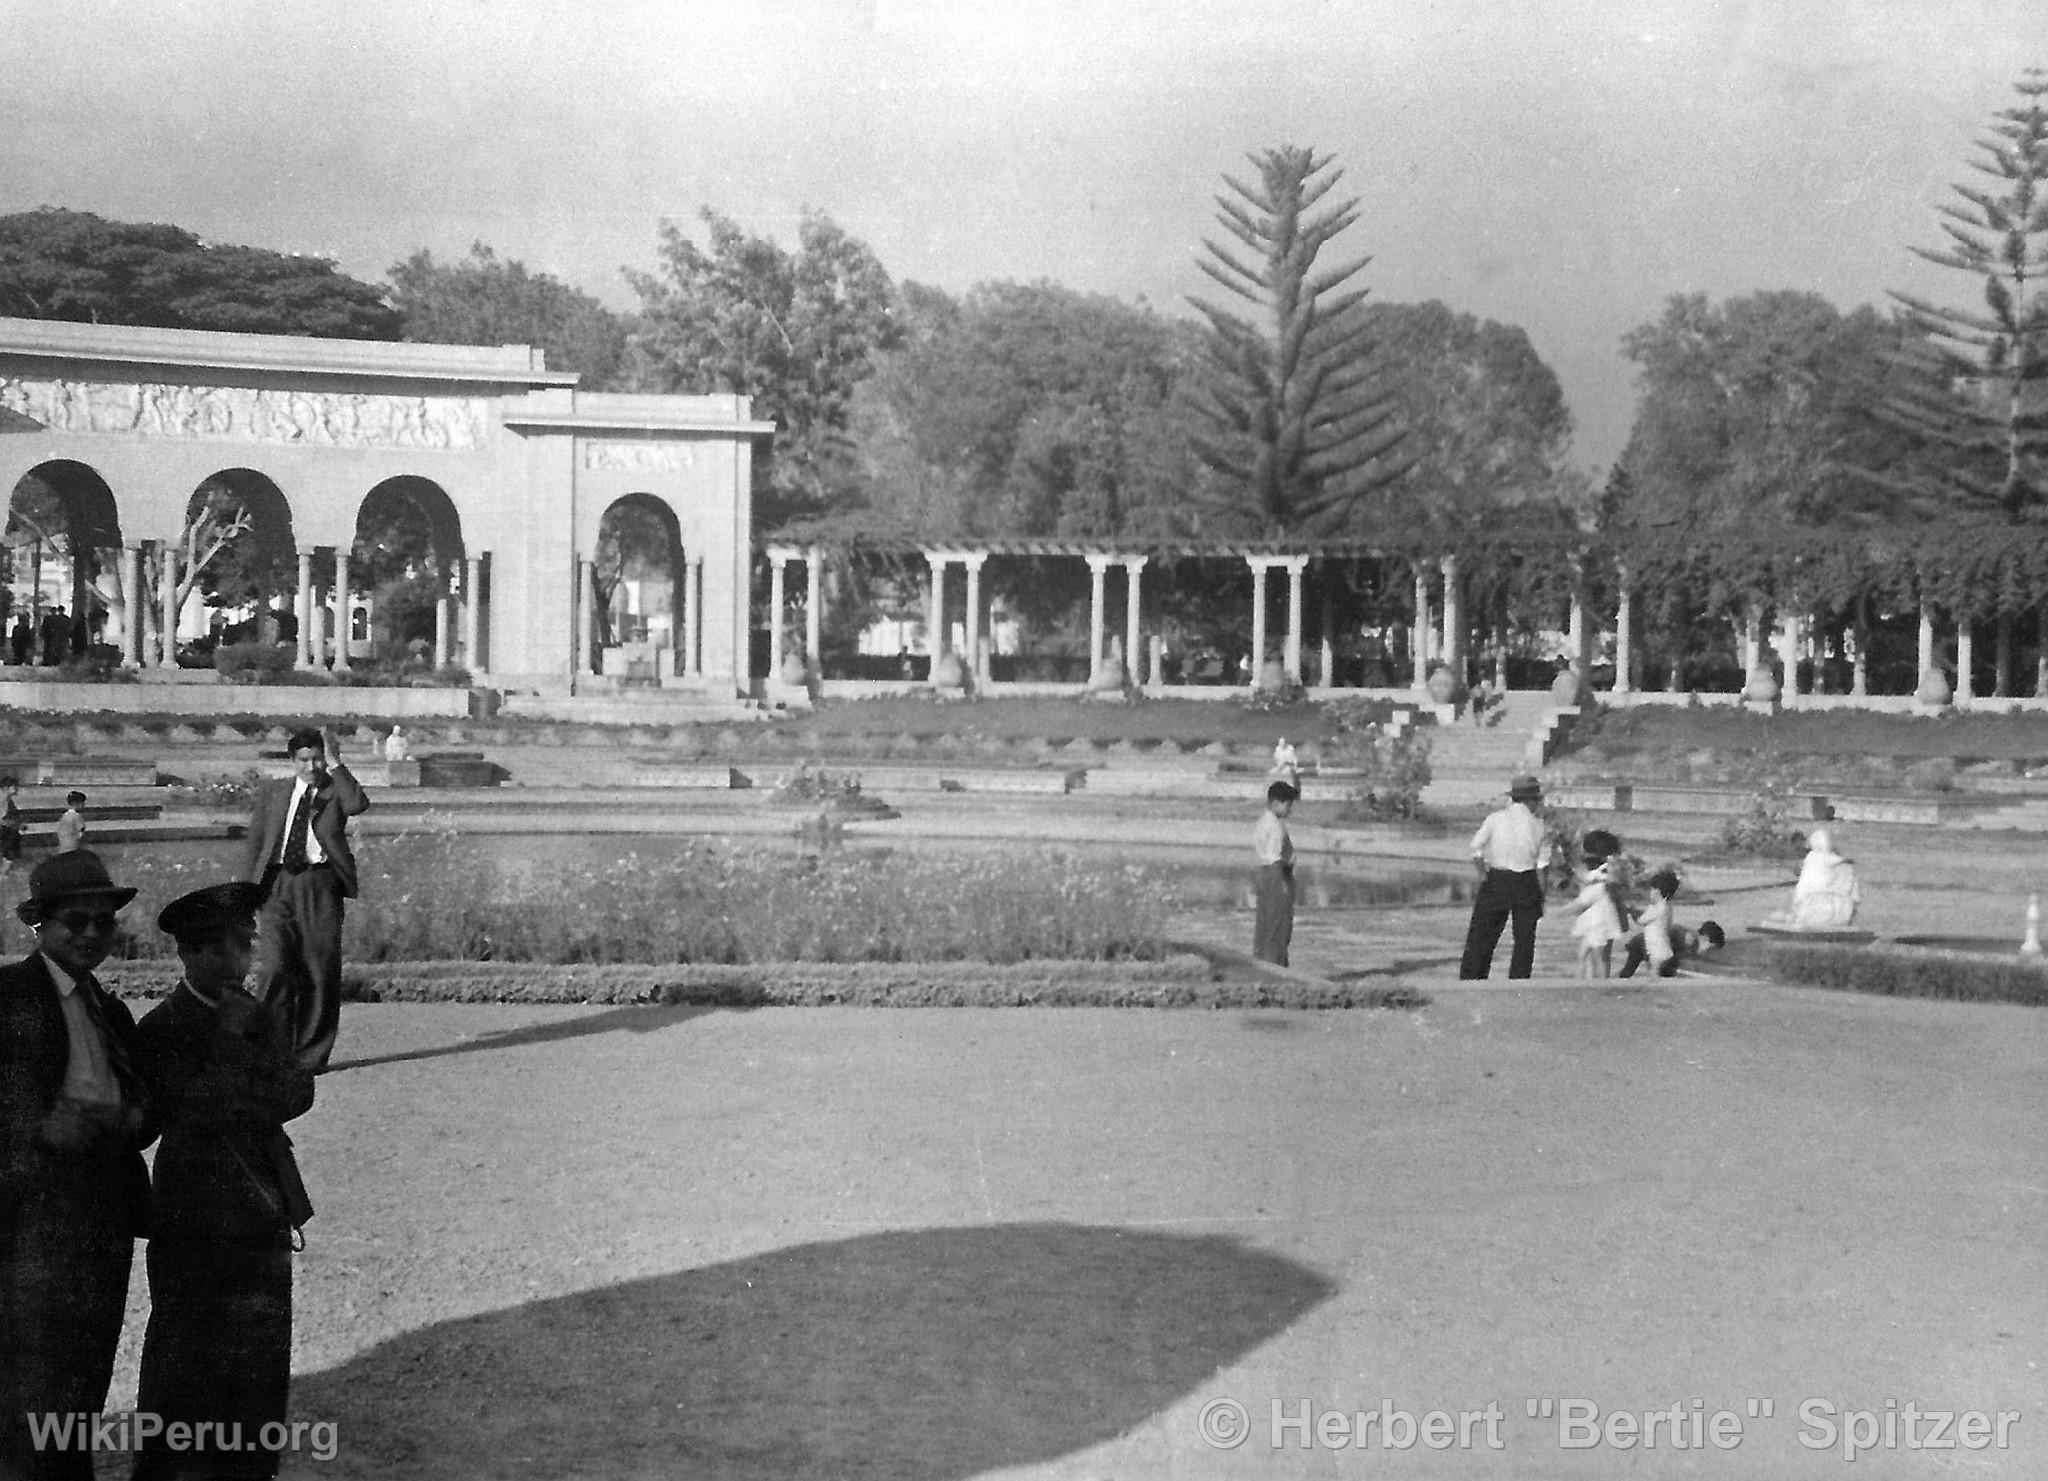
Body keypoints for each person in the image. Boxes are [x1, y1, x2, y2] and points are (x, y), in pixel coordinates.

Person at [132, 883, 315, 1481]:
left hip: (261, 1207)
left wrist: (249, 1059)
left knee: (260, 1355)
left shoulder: (254, 1013)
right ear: (187, 955)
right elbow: (201, 1106)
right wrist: (234, 1047)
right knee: (185, 1350)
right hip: (195, 1213)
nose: (236, 963)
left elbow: (297, 1092)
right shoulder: (162, 1028)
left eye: (243, 947)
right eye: (220, 951)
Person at [0, 851, 156, 1481]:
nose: (93, 933)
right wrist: (38, 1129)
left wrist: (133, 1120)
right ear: (39, 925)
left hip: (102, 1222)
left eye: (104, 922)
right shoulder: (8, 996)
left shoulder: (109, 1010)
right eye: (76, 922)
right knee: (30, 1384)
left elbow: (142, 1103)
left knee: (85, 1376)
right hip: (32, 1222)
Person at [243, 726, 369, 1074]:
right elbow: (255, 844)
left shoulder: (334, 791)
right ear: (292, 761)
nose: (311, 767)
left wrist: (338, 763)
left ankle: (310, 1057)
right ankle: (268, 1050)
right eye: (304, 760)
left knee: (319, 970)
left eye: (317, 759)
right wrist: (243, 893)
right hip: (277, 885)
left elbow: (358, 804)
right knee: (273, 966)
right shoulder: (274, 792)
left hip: (320, 886)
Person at [1459, 774, 1554, 979]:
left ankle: (1473, 977)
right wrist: (1541, 896)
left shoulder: (1495, 819)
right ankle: (1519, 979)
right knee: (1524, 937)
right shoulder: (1539, 826)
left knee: (1483, 933)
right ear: (1531, 801)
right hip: (1527, 880)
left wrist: (1482, 874)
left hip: (1498, 878)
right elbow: (1543, 865)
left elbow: (1476, 849)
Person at [1763, 827, 1862, 931]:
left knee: (1783, 916)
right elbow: (1855, 897)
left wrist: (1796, 906)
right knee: (1784, 916)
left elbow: (1801, 892)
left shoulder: (1812, 859)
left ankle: (1798, 920)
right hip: (1842, 914)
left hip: (1816, 913)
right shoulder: (1846, 865)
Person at [1558, 844, 1625, 979]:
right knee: (1586, 955)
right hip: (1595, 924)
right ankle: (1587, 979)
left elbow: (1581, 904)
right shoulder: (1599, 882)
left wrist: (1561, 912)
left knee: (1596, 956)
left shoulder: (1596, 886)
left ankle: (1596, 981)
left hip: (1597, 925)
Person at [1252, 780, 1299, 967]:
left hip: (1264, 873)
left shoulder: (1262, 822)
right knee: (1278, 926)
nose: (1289, 810)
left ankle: (1263, 962)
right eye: (1288, 805)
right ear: (1277, 803)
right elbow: (1275, 857)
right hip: (1276, 873)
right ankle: (1276, 965)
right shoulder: (1275, 827)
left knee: (1265, 924)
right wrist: (1283, 884)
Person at [1619, 868, 1683, 978]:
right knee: (1655, 975)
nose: (1650, 893)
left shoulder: (1659, 908)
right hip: (1659, 947)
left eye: (1652, 890)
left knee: (1654, 976)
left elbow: (1641, 920)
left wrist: (1630, 910)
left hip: (1657, 949)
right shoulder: (1665, 906)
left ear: (1658, 891)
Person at [0, 773, 21, 878]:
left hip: (7, 828)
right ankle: (3, 873)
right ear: (6, 788)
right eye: (15, 787)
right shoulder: (2, 799)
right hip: (5, 829)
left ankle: (4, 871)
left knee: (11, 846)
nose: (17, 789)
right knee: (10, 847)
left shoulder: (7, 799)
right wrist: (12, 825)